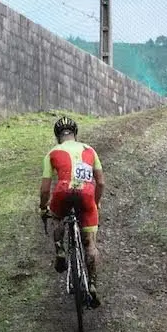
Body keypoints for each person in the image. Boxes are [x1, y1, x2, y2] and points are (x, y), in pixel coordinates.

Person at [39, 116, 105, 308]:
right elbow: (100, 182)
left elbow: (45, 190)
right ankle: (92, 285)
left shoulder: (52, 152)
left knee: (57, 215)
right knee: (90, 244)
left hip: (62, 191)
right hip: (86, 193)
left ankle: (60, 248)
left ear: (58, 136)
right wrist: (96, 202)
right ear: (75, 134)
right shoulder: (90, 150)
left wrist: (43, 208)